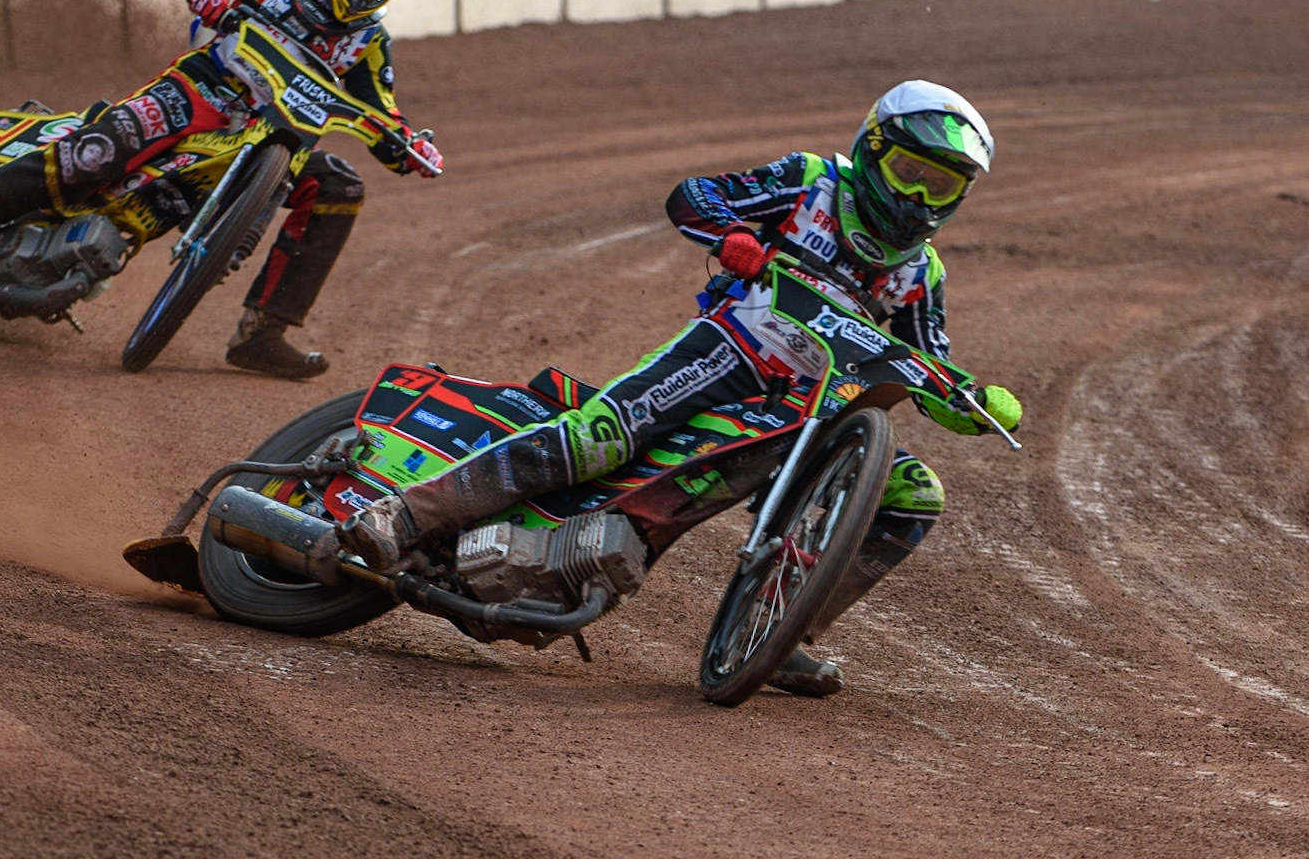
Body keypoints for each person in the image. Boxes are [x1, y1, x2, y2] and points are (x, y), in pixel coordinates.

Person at [319, 80, 1023, 695]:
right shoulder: (814, 181)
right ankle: (404, 515)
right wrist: (734, 237)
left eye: (941, 185)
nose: (917, 196)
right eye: (908, 171)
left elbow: (930, 367)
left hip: (818, 413)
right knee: (600, 437)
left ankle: (787, 627)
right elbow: (695, 197)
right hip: (734, 349)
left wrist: (972, 401)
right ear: (872, 152)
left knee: (915, 493)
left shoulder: (921, 274)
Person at [0, 0, 443, 379]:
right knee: (98, 153)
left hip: (278, 142)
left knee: (339, 187)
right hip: (201, 91)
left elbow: (382, 115)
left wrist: (409, 145)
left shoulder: (369, 42)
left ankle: (263, 334)